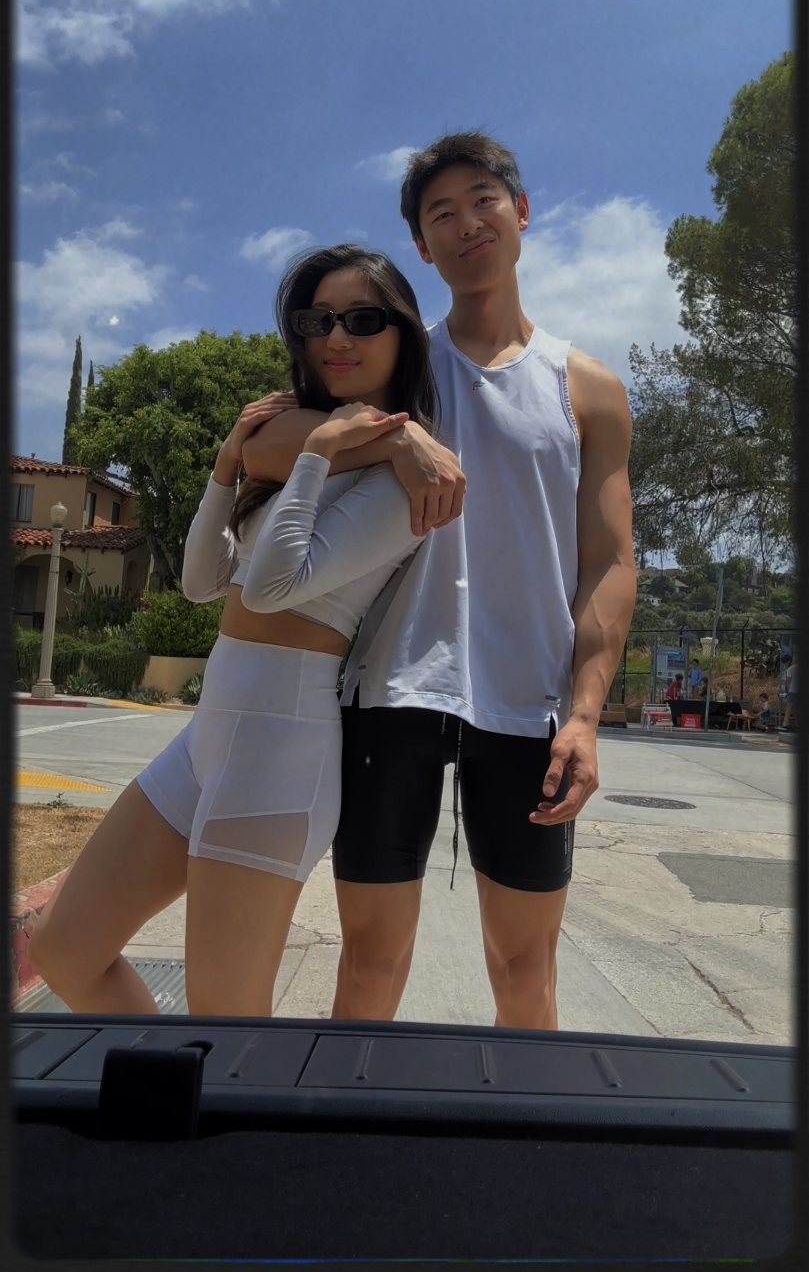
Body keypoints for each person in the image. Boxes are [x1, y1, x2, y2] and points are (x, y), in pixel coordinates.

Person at [243, 131, 637, 1030]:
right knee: (371, 962)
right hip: (391, 690)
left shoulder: (589, 389)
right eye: (440, 215)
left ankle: (518, 1153)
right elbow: (262, 437)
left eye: (482, 201)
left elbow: (610, 561)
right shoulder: (391, 361)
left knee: (525, 967)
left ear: (521, 212)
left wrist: (583, 714)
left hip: (527, 701)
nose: (466, 225)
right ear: (420, 247)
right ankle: (353, 1145)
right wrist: (397, 431)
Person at [29, 245, 456, 1018]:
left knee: (226, 1019)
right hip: (206, 739)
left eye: (362, 319)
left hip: (278, 754)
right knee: (62, 948)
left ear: (403, 333)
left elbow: (271, 586)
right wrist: (229, 462)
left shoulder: (407, 478)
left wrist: (321, 456)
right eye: (315, 319)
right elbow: (201, 583)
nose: (337, 337)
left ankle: (225, 1130)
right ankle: (178, 1100)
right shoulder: (298, 441)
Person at [780, 654, 798, 730]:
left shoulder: (790, 669)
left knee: (789, 707)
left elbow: (787, 681)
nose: (785, 665)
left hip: (792, 690)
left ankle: (785, 722)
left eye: (785, 663)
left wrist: (786, 689)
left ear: (788, 662)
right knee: (796, 707)